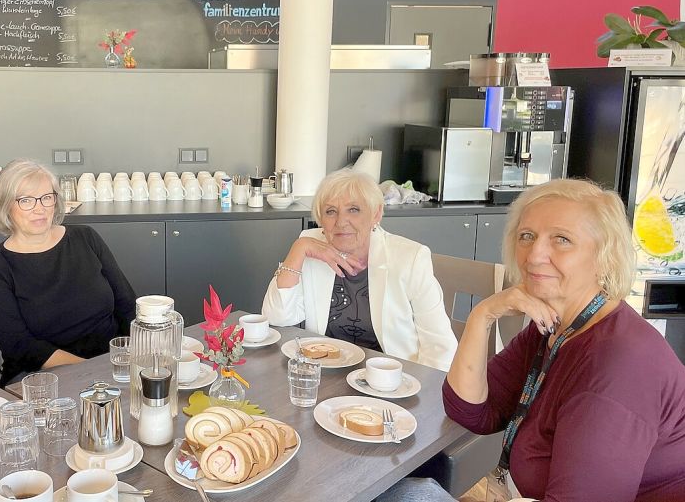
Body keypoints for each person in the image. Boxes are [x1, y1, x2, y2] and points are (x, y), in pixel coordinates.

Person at [444, 179, 685, 501]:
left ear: (605, 257)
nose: (534, 255)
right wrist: (483, 314)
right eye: (526, 236)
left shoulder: (620, 364)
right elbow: (471, 412)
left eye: (562, 239)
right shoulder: (558, 327)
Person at [262, 169, 457, 370]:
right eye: (330, 211)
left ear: (376, 214)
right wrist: (299, 249)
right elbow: (277, 317)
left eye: (353, 209)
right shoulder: (311, 246)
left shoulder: (410, 258)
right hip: (327, 375)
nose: (341, 222)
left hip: (391, 379)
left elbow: (440, 347)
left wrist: (417, 387)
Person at [0, 159, 136, 383]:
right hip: (42, 379)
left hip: (113, 365)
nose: (39, 208)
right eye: (26, 200)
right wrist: (94, 371)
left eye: (46, 197)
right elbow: (22, 347)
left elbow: (127, 305)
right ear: (5, 206)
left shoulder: (86, 238)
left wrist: (131, 358)